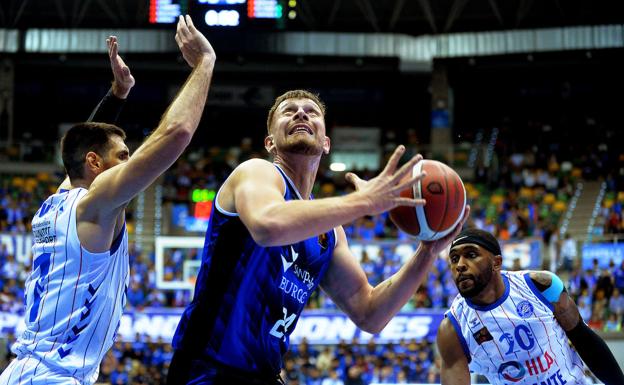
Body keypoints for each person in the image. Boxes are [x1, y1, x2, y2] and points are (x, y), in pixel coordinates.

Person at [167, 89, 470, 384]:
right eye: (289, 111)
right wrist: (363, 203)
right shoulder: (258, 172)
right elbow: (267, 225)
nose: (301, 112)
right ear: (270, 142)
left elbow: (370, 314)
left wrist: (427, 252)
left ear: (326, 143)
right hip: (207, 368)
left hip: (263, 373)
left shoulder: (330, 231)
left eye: (311, 112)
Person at [0, 15, 215, 385]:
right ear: (96, 164)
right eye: (123, 156)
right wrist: (205, 64)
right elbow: (176, 133)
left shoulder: (59, 203)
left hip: (32, 372)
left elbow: (82, 153)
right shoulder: (95, 205)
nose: (129, 165)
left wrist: (118, 94)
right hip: (51, 378)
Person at [437, 228, 624, 385]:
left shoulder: (541, 285)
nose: (460, 265)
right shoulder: (452, 329)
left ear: (496, 263)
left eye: (471, 255)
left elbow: (583, 338)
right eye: (454, 259)